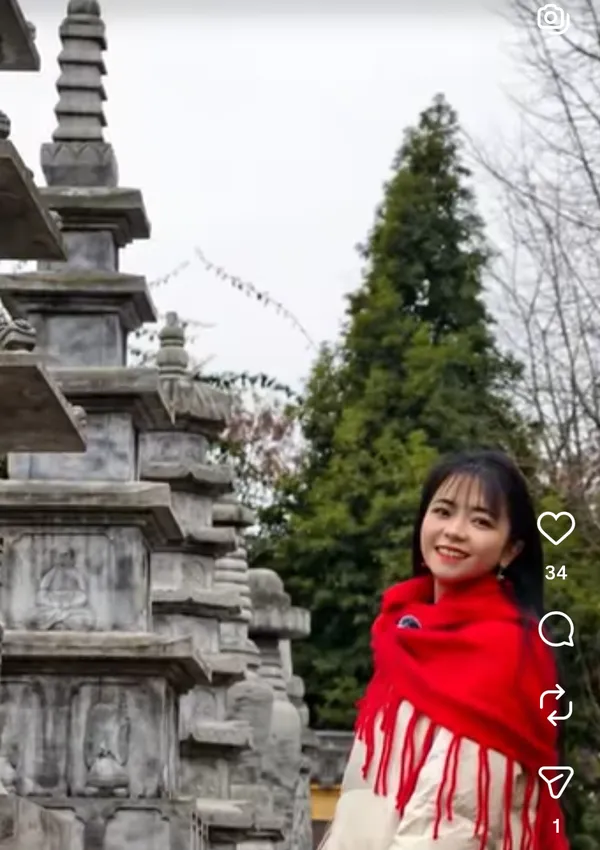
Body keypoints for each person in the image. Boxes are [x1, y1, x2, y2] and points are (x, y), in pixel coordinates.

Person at [321, 449, 569, 850]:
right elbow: (362, 802)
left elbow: (458, 820)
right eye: (443, 511)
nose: (455, 530)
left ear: (511, 550)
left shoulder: (508, 651)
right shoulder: (402, 633)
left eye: (481, 521)